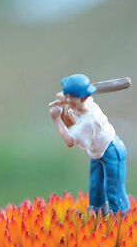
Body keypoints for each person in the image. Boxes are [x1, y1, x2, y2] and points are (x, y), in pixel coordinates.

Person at [49, 74, 129, 214]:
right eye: (67, 96)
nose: (67, 99)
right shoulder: (82, 104)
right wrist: (65, 106)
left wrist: (56, 118)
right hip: (97, 152)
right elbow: (70, 123)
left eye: (70, 97)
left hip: (111, 150)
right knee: (95, 185)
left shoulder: (89, 119)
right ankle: (96, 211)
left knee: (112, 188)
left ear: (83, 98)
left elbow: (69, 141)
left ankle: (121, 216)